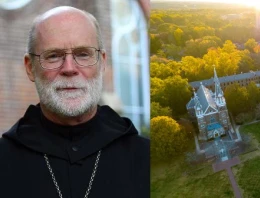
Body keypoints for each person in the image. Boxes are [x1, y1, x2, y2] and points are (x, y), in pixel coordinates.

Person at [0, 6, 149, 198]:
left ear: (102, 62)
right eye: (53, 56)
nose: (69, 68)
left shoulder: (146, 159)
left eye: (82, 54)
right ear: (30, 68)